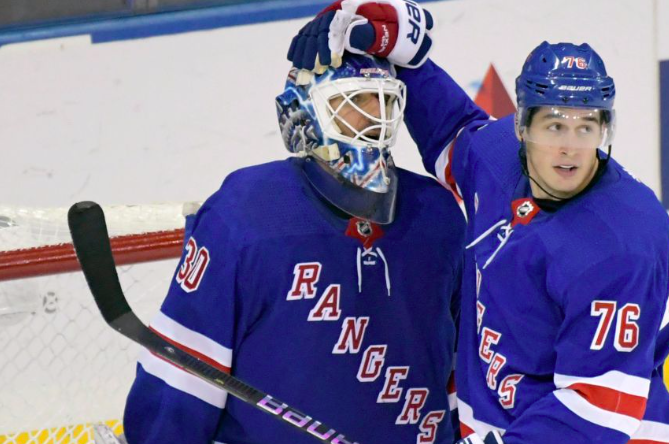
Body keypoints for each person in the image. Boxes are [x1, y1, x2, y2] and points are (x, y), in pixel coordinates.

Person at [288, 3, 669, 444]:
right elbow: (452, 129)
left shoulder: (624, 242)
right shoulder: (497, 161)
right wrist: (407, 59)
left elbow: (596, 406)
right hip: (501, 423)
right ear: (521, 127)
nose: (570, 147)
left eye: (586, 127)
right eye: (554, 126)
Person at [122, 53, 465, 444]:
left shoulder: (435, 214)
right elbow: (184, 374)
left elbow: (459, 365)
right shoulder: (245, 213)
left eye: (385, 99)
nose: (376, 116)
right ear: (305, 113)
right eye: (356, 99)